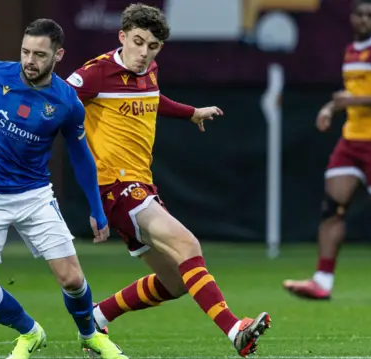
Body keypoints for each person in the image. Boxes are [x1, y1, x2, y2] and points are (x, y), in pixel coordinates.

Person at [65, 3, 271, 357]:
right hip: (116, 188)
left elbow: (152, 98)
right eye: (138, 42)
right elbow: (53, 102)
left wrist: (190, 113)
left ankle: (97, 315)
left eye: (153, 46)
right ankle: (235, 329)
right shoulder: (95, 75)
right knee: (188, 246)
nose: (144, 53)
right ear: (122, 37)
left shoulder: (150, 71)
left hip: (140, 185)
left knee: (175, 283)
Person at [0, 18, 128, 359]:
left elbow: (81, 158)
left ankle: (90, 335)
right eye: (25, 52)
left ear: (58, 55)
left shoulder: (67, 102)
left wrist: (97, 209)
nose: (29, 61)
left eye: (39, 54)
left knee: (72, 279)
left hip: (33, 196)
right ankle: (30, 332)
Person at [283, 0, 371, 300]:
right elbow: (352, 95)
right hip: (351, 141)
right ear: (352, 17)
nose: (364, 19)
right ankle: (322, 281)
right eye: (360, 14)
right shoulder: (351, 51)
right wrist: (330, 108)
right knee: (332, 209)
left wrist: (348, 103)